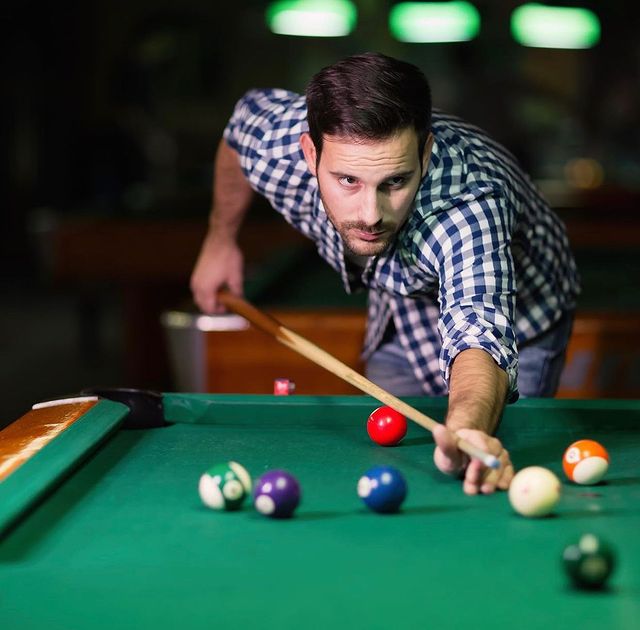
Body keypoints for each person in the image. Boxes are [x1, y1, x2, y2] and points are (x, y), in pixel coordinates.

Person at [190, 52, 580, 495]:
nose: (370, 215)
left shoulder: (470, 203)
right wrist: (220, 240)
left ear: (425, 152)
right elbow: (241, 126)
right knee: (395, 454)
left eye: (394, 181)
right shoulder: (277, 142)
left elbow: (480, 331)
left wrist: (469, 425)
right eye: (348, 181)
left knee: (476, 463)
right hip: (403, 301)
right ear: (309, 152)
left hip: (522, 315)